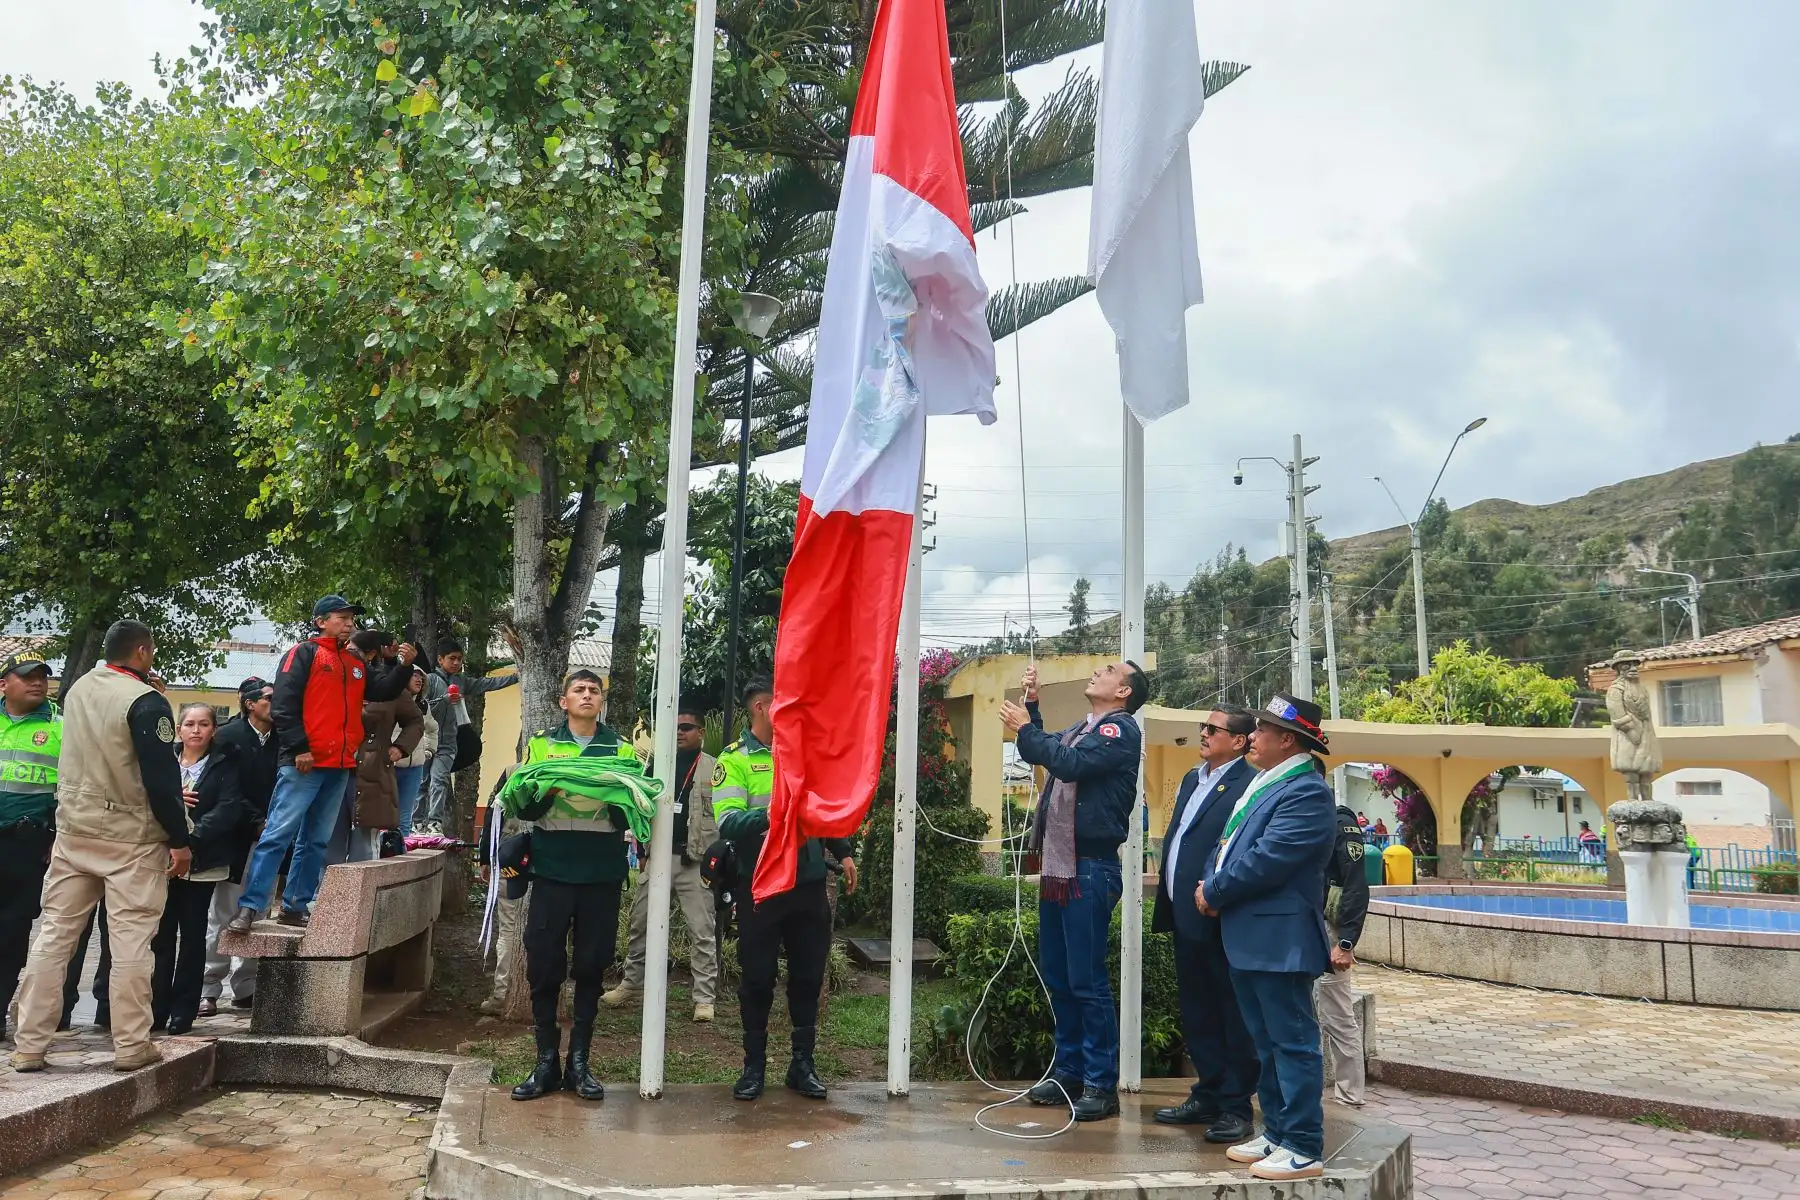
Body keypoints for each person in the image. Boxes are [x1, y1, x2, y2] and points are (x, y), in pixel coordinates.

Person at [10, 620, 192, 1073]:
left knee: (53, 937)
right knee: (132, 941)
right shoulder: (147, 702)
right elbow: (163, 780)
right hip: (131, 837)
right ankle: (131, 1045)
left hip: (74, 830)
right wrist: (180, 839)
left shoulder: (78, 690)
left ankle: (29, 1044)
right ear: (144, 652)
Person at [998, 660, 1151, 1122]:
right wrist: (1032, 707)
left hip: (1089, 867)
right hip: (1062, 869)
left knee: (1087, 981)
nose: (1098, 672)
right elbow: (1049, 750)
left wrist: (1027, 728)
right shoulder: (1082, 729)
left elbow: (1067, 763)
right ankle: (1068, 1070)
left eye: (1109, 670)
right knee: (1061, 977)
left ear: (1124, 692)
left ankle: (1100, 1084)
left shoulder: (1119, 731)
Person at [1197, 693, 1338, 1182]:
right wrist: (1213, 883)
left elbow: (1269, 858)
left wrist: (1215, 889)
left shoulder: (1306, 792)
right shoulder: (1268, 784)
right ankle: (1278, 1132)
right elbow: (1234, 846)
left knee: (1292, 1043)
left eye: (1260, 730)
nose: (1251, 737)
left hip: (1280, 938)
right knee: (1267, 1044)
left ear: (1287, 740)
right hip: (1253, 934)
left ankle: (1303, 1145)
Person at [227, 596, 410, 934]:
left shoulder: (354, 662)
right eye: (343, 618)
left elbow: (382, 690)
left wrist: (403, 666)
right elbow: (283, 703)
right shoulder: (303, 653)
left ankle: (296, 905)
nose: (350, 624)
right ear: (321, 621)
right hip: (304, 762)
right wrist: (299, 747)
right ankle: (250, 907)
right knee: (277, 835)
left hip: (339, 765)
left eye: (351, 619)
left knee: (316, 840)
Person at [717, 679, 858, 1103]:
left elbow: (822, 809)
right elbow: (728, 821)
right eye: (782, 704)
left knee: (808, 976)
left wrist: (844, 852)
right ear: (761, 707)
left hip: (808, 881)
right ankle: (753, 1067)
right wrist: (775, 812)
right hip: (759, 883)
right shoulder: (735, 760)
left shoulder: (803, 753)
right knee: (758, 978)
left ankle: (802, 1064)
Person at [508, 669, 634, 1103]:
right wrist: (556, 785)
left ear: (601, 702)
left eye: (593, 690)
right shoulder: (543, 744)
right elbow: (526, 805)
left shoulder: (620, 749)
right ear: (563, 701)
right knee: (543, 967)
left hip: (601, 873)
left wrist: (614, 792)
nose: (586, 695)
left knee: (590, 968)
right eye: (578, 690)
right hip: (551, 871)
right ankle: (546, 1062)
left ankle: (580, 1063)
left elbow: (628, 813)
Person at [1149, 705, 1259, 1143]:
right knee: (1197, 1011)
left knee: (1231, 1013)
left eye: (1214, 729)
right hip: (1184, 913)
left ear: (1239, 741)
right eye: (1203, 726)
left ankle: (1236, 1106)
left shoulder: (1248, 784)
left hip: (1218, 915)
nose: (1204, 733)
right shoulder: (1195, 779)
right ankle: (1207, 1094)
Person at [603, 706, 719, 1022]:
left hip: (693, 861)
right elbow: (641, 811)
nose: (680, 732)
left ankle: (704, 998)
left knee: (701, 930)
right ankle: (632, 984)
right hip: (657, 859)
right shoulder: (656, 766)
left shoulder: (713, 768)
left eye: (688, 727)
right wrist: (642, 853)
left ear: (701, 732)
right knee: (640, 923)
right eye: (676, 727)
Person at [152, 703, 248, 1034]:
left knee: (193, 936)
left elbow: (228, 808)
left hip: (203, 862)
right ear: (178, 730)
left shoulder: (224, 763)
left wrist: (191, 837)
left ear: (213, 730)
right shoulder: (163, 761)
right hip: (161, 860)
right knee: (161, 936)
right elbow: (147, 797)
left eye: (204, 724)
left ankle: (184, 1009)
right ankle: (156, 1007)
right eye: (189, 724)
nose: (196, 730)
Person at [201, 678, 278, 1015]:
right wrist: (254, 820)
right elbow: (225, 788)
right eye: (269, 699)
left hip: (271, 839)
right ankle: (208, 987)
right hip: (235, 837)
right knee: (222, 916)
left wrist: (273, 825)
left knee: (259, 914)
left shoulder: (284, 740)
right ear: (250, 704)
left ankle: (247, 986)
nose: (276, 704)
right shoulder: (229, 738)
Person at [1, 652, 60, 1040]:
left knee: (11, 930)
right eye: (27, 676)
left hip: (27, 842)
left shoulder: (60, 724)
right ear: (4, 684)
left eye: (42, 676)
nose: (37, 682)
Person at [419, 638, 518, 835]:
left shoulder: (461, 681)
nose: (456, 663)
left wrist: (515, 677)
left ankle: (434, 823)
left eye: (459, 659)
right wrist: (445, 699)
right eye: (452, 658)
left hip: (448, 743)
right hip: (426, 741)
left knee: (440, 780)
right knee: (422, 782)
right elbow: (422, 707)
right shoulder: (428, 680)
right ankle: (417, 823)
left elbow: (487, 683)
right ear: (440, 660)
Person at [345, 632, 424, 861]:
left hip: (374, 766)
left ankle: (362, 894)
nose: (354, 657)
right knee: (328, 835)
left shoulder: (390, 687)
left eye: (358, 652)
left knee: (364, 837)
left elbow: (415, 721)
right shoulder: (339, 680)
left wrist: (400, 747)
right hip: (337, 762)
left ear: (372, 655)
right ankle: (321, 893)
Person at [1316, 784, 1371, 1108]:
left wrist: (1347, 943)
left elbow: (1355, 884)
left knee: (1337, 1014)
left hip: (1332, 932)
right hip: (1308, 926)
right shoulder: (1310, 821)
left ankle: (1350, 1094)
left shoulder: (1340, 824)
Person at [393, 666, 436, 838]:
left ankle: (399, 854)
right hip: (390, 766)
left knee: (405, 817)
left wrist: (428, 751)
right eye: (414, 676)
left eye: (421, 676)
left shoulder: (423, 706)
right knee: (384, 815)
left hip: (414, 769)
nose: (419, 679)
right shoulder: (390, 699)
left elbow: (432, 730)